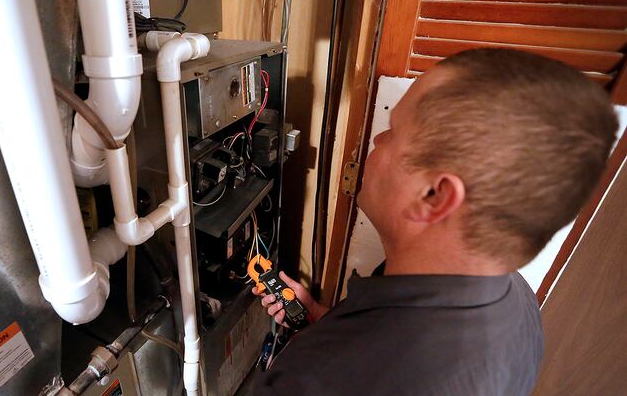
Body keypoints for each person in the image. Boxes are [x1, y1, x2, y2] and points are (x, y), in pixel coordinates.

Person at [253, 49, 618, 395]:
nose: (377, 139)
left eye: (392, 131)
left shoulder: (317, 378)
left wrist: (322, 352)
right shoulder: (515, 302)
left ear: (435, 197)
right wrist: (320, 320)